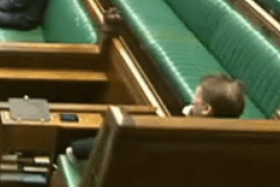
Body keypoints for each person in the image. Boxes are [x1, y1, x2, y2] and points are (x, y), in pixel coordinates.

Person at [67, 73, 248, 163]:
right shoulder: (240, 145)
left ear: (206, 109)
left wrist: (75, 150)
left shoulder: (173, 136)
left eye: (197, 98)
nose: (193, 99)